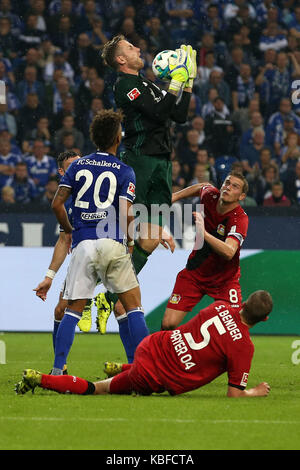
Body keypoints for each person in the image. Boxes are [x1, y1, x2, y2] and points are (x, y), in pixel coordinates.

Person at [96, 35, 196, 334]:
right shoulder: (124, 85)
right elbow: (158, 112)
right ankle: (93, 288)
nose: (138, 49)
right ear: (120, 60)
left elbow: (177, 114)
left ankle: (109, 298)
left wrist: (187, 80)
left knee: (150, 240)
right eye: (130, 48)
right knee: (126, 234)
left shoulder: (150, 85)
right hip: (139, 160)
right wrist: (175, 82)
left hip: (162, 162)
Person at [15, 290, 273, 398]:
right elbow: (234, 394)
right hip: (151, 375)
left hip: (152, 345)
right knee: (97, 389)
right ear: (265, 319)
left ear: (244, 303)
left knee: (133, 365)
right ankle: (41, 379)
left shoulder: (219, 306)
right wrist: (255, 391)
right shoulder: (244, 348)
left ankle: (122, 367)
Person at [47, 109, 149, 374]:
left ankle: (58, 370)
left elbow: (57, 203)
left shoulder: (79, 165)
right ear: (118, 138)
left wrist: (71, 228)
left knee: (72, 310)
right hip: (112, 242)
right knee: (132, 306)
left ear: (94, 138)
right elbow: (126, 212)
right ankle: (143, 368)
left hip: (84, 244)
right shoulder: (125, 171)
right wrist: (130, 242)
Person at [161, 171, 249, 331]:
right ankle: (168, 355)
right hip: (195, 274)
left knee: (235, 329)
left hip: (225, 281)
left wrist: (204, 233)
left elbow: (229, 252)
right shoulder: (211, 196)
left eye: (234, 186)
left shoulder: (239, 219)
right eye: (227, 183)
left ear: (241, 196)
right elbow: (203, 186)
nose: (228, 187)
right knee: (168, 324)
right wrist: (174, 197)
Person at [33, 150, 95, 374]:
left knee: (122, 306)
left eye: (81, 164)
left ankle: (137, 367)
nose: (78, 170)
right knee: (60, 310)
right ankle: (60, 368)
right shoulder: (66, 201)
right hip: (82, 258)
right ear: (61, 171)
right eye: (72, 166)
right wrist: (49, 277)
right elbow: (64, 239)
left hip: (108, 253)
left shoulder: (95, 190)